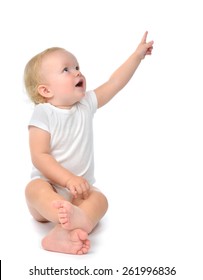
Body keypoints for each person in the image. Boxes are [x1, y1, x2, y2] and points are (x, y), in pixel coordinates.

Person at [24, 31, 154, 255]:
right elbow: (40, 156)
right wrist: (67, 179)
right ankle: (68, 218)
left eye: (76, 67)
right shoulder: (43, 113)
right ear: (45, 90)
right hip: (51, 187)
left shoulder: (85, 104)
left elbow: (114, 82)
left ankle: (67, 229)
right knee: (33, 189)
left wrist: (137, 56)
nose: (77, 72)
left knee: (101, 200)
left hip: (80, 192)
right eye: (66, 69)